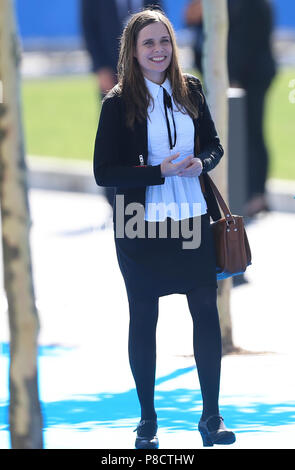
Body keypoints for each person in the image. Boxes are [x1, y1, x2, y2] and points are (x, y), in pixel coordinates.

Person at [93, 9, 236, 449]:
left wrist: (201, 163)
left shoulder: (190, 89)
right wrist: (158, 171)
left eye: (164, 42)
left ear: (173, 46)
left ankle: (211, 417)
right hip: (140, 224)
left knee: (206, 316)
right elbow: (104, 172)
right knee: (144, 319)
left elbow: (213, 143)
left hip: (191, 219)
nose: (158, 50)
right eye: (148, 44)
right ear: (132, 52)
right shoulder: (117, 103)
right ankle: (147, 421)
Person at [184, 0, 276, 217]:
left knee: (250, 133)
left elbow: (248, 36)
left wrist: (232, 76)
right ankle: (235, 193)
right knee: (222, 135)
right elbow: (193, 20)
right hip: (221, 76)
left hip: (247, 77)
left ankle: (256, 195)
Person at [80, 0, 163, 209]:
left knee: (148, 129)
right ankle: (114, 197)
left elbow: (159, 19)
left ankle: (147, 189)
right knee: (113, 134)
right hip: (111, 70)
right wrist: (100, 68)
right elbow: (89, 27)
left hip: (147, 71)